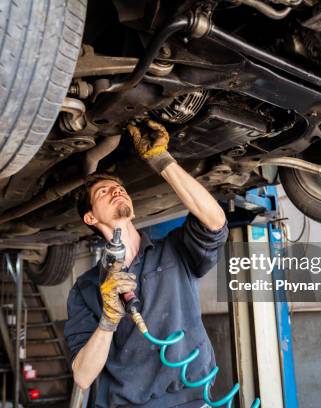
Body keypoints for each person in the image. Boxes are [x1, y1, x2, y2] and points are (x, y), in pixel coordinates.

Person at [64, 120, 228, 407]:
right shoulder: (87, 288)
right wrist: (108, 321)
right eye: (103, 191)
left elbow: (215, 221)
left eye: (119, 187)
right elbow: (82, 375)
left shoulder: (173, 250)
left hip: (194, 398)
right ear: (90, 218)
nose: (116, 190)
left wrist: (161, 160)